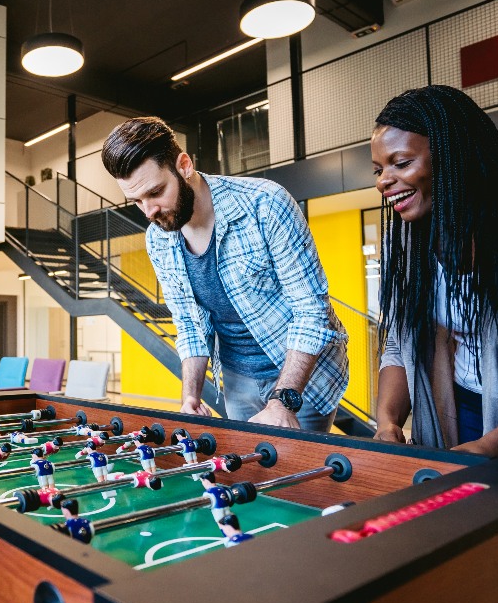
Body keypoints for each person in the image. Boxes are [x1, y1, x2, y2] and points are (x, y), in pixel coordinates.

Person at [101, 117, 349, 431]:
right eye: (137, 201)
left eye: (156, 192)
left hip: (302, 375)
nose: (149, 211)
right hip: (237, 379)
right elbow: (189, 324)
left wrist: (282, 402)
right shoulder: (158, 238)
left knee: (298, 463)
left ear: (184, 166)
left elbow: (311, 310)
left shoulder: (265, 204)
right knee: (247, 461)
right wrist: (190, 397)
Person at [371, 85, 498, 460]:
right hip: (461, 411)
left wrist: (493, 447)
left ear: (451, 155)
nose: (382, 181)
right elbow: (400, 343)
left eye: (401, 163)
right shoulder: (407, 240)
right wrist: (387, 423)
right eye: (378, 170)